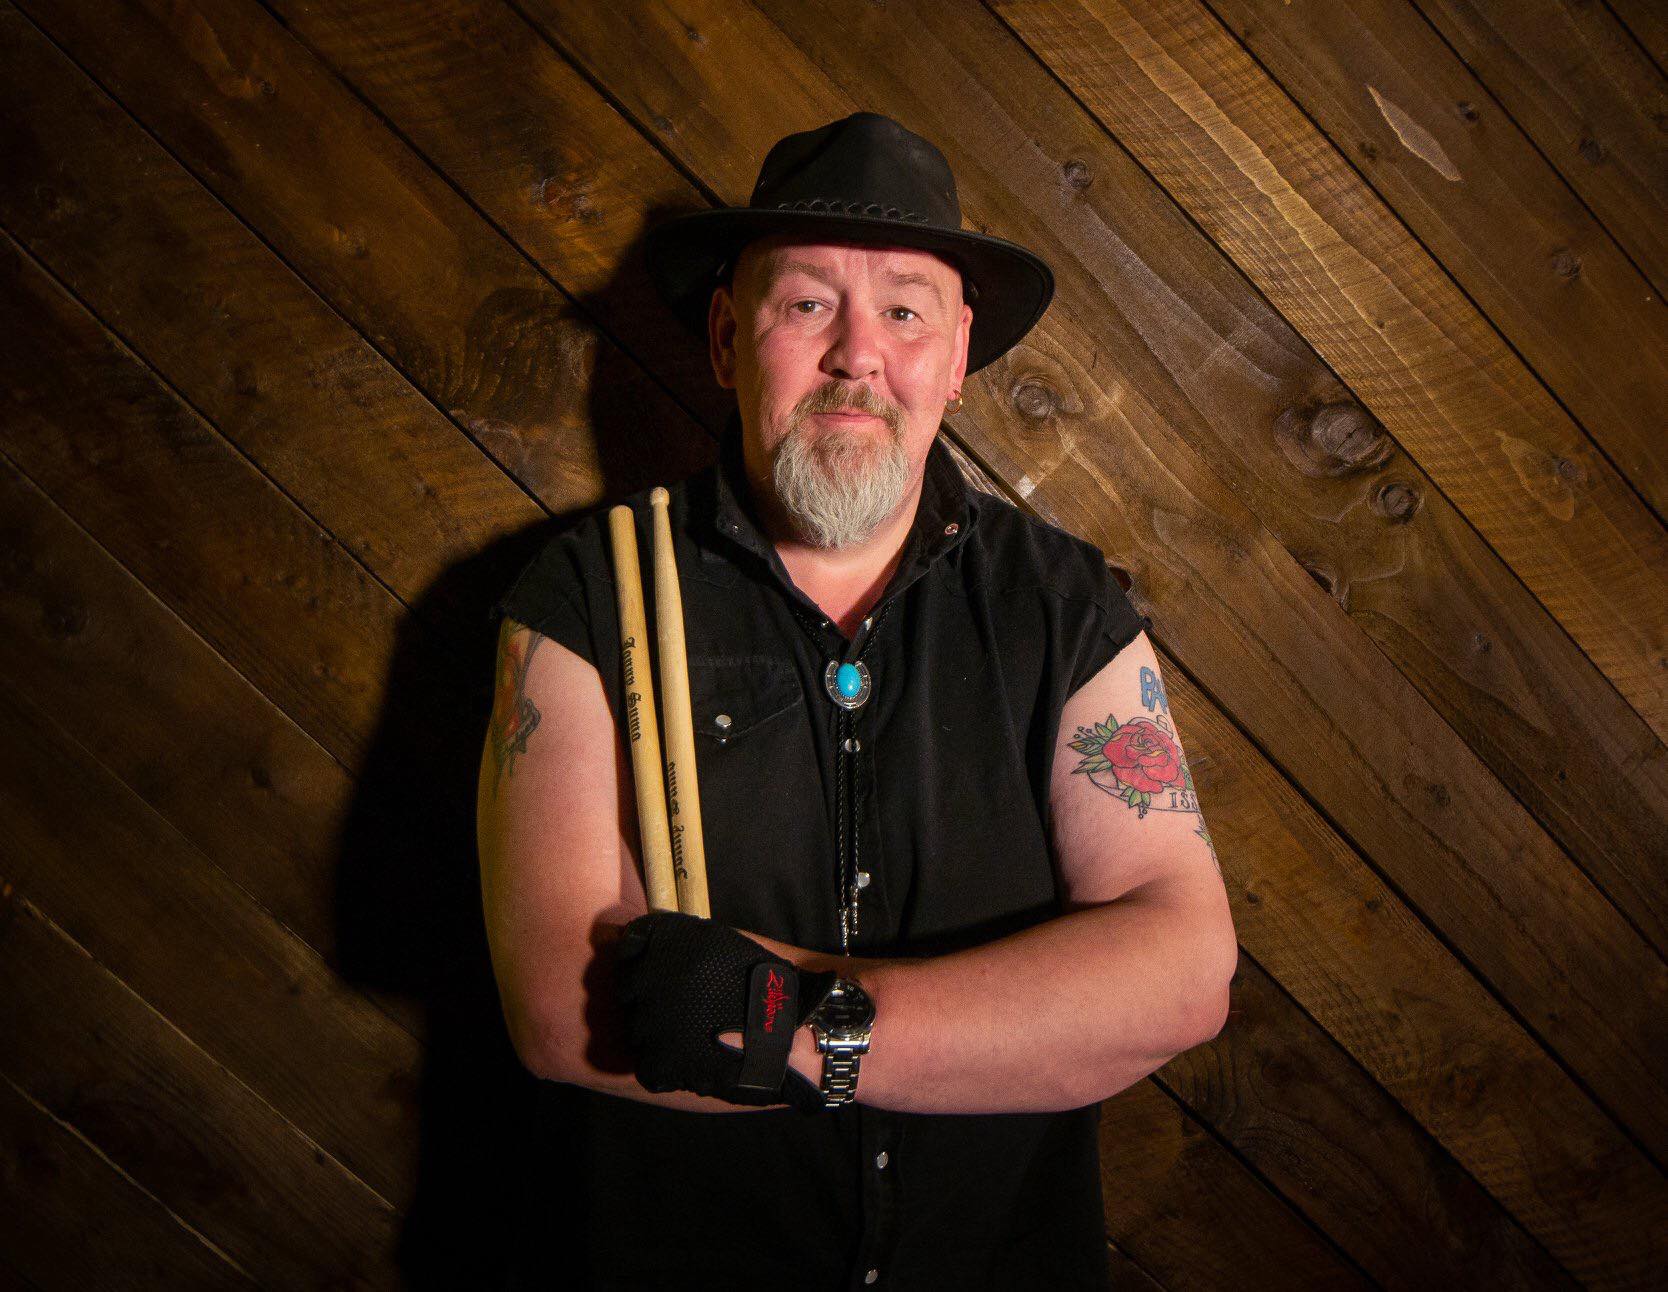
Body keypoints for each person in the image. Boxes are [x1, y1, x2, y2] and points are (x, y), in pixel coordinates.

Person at [477, 112, 1236, 1290]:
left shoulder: (1062, 606)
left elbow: (1182, 968)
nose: (856, 355)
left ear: (958, 351)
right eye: (806, 303)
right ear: (727, 339)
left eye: (905, 311)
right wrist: (1016, 1023)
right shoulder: (589, 594)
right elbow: (563, 1011)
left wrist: (795, 1022)